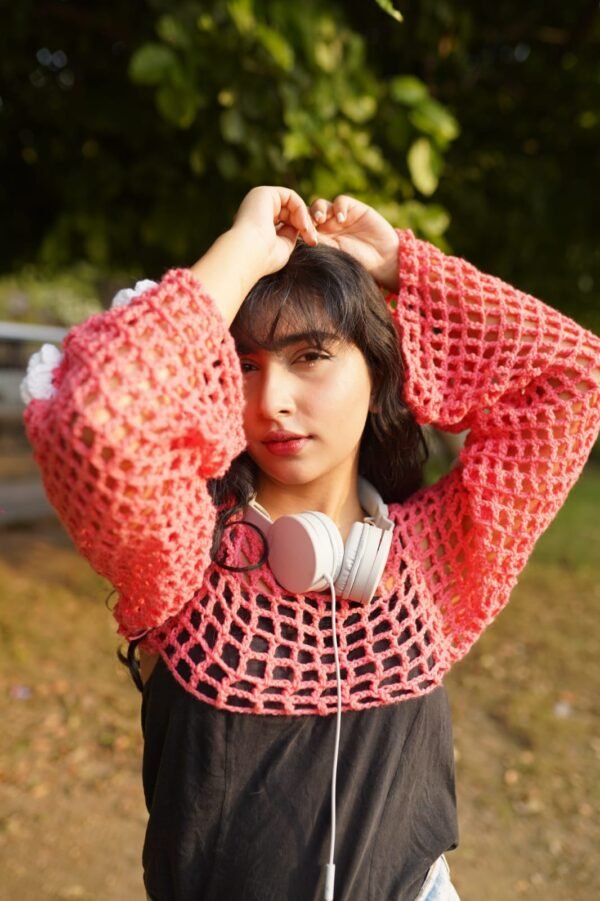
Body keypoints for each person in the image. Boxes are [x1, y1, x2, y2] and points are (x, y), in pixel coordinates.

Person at [22, 186, 600, 901]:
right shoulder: (180, 559)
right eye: (246, 364)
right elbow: (96, 414)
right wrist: (239, 253)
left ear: (378, 370)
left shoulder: (435, 563)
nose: (272, 403)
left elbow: (570, 379)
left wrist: (402, 269)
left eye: (311, 355)